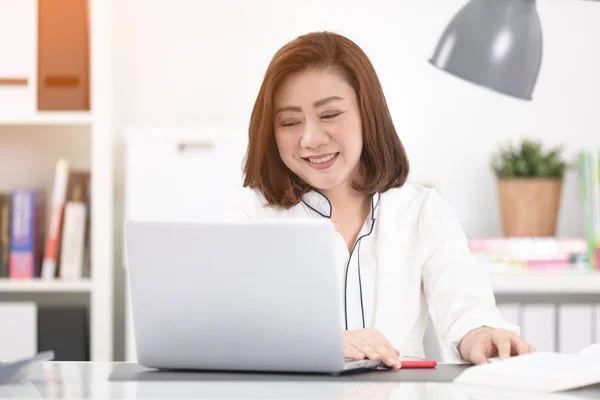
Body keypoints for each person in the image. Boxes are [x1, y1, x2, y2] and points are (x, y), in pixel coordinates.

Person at [226, 31, 535, 369]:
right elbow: (232, 326)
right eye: (289, 122)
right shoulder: (251, 213)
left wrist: (482, 334)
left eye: (329, 115)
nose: (311, 139)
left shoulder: (420, 211)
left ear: (367, 113)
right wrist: (325, 342)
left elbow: (466, 305)